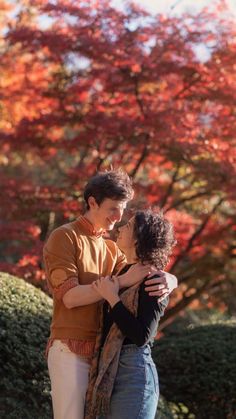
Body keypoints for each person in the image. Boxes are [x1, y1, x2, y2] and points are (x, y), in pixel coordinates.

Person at [43, 169, 177, 419]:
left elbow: (140, 279)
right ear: (92, 202)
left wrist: (171, 279)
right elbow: (70, 297)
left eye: (123, 208)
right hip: (70, 349)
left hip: (105, 357)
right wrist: (123, 280)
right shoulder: (65, 236)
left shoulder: (113, 249)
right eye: (113, 208)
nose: (119, 217)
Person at [85, 209, 176, 419]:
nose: (120, 228)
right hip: (110, 368)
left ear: (139, 238)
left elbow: (141, 336)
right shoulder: (123, 272)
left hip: (133, 373)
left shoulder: (154, 280)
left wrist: (113, 298)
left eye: (128, 226)